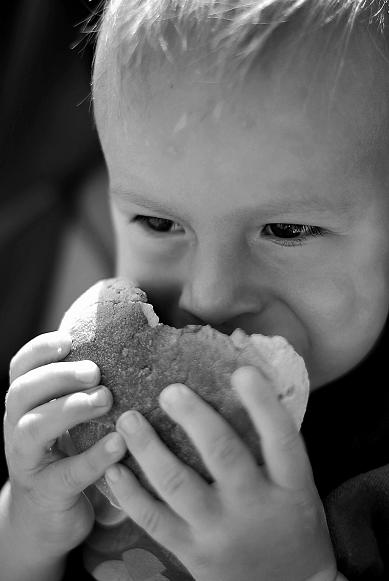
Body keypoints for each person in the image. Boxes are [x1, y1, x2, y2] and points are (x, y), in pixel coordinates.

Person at [1, 0, 389, 580]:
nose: (208, 297)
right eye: (159, 224)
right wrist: (30, 529)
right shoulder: (97, 401)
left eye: (287, 230)